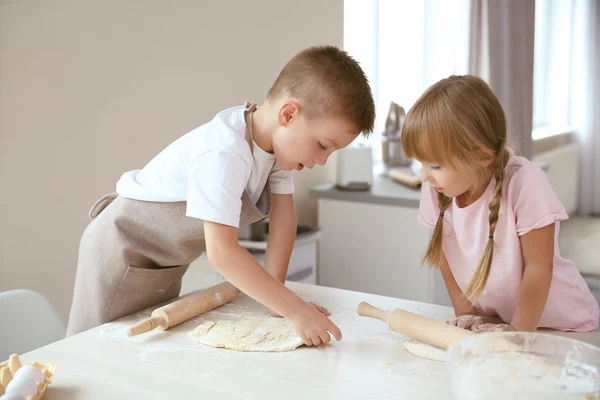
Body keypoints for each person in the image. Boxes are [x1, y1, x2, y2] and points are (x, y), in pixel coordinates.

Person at [66, 45, 376, 346]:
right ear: (289, 114)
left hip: (163, 262)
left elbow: (284, 220)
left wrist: (279, 300)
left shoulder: (275, 151)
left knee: (137, 349)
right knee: (92, 351)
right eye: (323, 145)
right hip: (119, 251)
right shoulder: (224, 152)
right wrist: (294, 310)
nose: (323, 160)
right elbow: (222, 252)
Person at [402, 75, 599, 332]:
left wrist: (518, 334)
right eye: (421, 164)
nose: (424, 176)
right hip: (503, 323)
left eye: (435, 165)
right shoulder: (437, 188)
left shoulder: (524, 182)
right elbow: (445, 259)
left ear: (482, 156)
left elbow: (539, 268)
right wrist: (467, 316)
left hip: (562, 326)